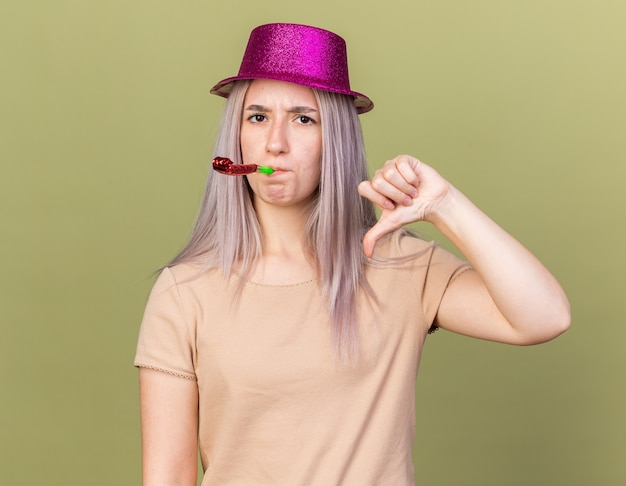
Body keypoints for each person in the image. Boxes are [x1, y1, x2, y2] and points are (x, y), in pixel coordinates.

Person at [134, 23, 570, 486]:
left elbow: (544, 317)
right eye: (257, 116)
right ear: (236, 136)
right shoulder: (184, 291)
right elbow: (168, 478)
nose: (275, 142)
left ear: (335, 140)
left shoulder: (401, 265)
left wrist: (446, 206)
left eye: (304, 118)